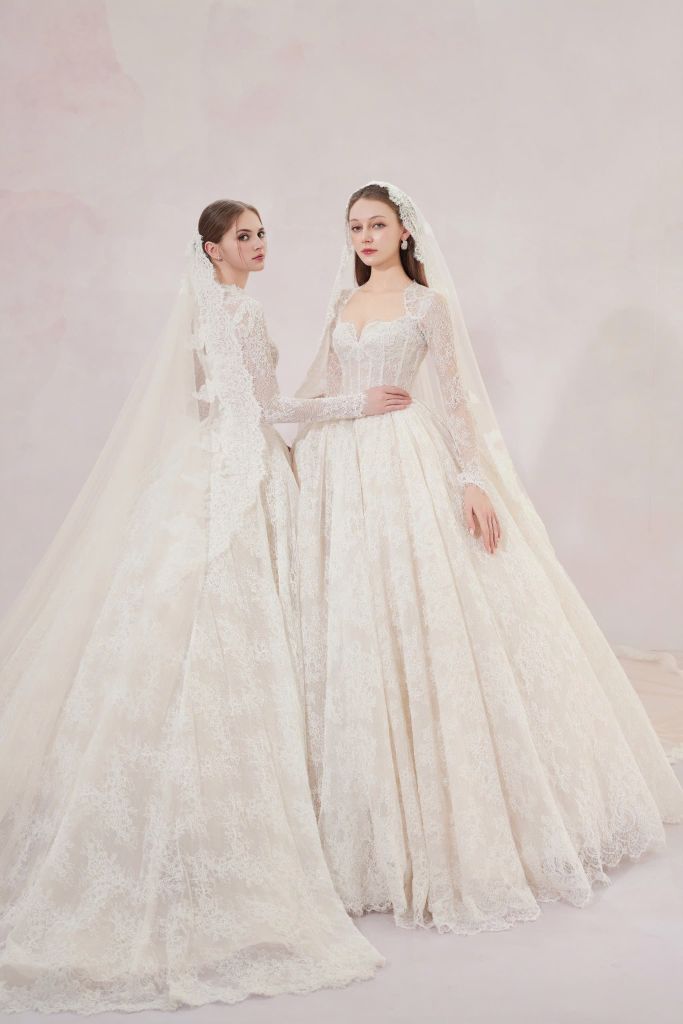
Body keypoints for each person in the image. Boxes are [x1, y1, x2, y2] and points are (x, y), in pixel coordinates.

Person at [0, 198, 408, 1011]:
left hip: (207, 468)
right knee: (237, 640)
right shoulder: (240, 312)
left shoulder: (208, 307)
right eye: (242, 237)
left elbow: (218, 404)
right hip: (244, 476)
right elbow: (266, 410)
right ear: (212, 250)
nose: (258, 245)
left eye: (261, 234)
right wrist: (353, 405)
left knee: (180, 634)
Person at [292, 181, 683, 936]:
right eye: (354, 227)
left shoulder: (426, 307)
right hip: (344, 471)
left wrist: (471, 479)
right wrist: (295, 431)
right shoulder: (343, 304)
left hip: (406, 461)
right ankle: (368, 814)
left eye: (377, 224)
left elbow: (455, 398)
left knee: (425, 616)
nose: (364, 237)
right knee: (358, 623)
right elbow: (325, 389)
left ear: (404, 232)